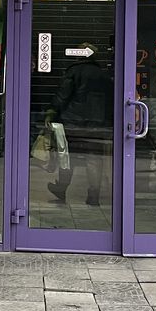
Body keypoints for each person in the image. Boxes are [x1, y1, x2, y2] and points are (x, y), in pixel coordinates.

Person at [44, 42, 112, 206]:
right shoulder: (103, 74)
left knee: (68, 156)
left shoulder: (74, 71)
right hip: (97, 123)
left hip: (72, 121)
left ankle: (61, 188)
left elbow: (63, 94)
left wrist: (52, 111)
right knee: (94, 158)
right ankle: (93, 195)